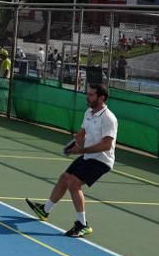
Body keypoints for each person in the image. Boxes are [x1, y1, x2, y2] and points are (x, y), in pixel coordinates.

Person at [26, 83, 116, 238]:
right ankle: (45, 210)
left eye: (91, 95)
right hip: (88, 156)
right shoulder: (89, 112)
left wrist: (81, 150)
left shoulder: (109, 118)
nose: (88, 97)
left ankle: (82, 224)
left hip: (102, 160)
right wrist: (76, 143)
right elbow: (82, 133)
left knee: (73, 183)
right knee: (64, 178)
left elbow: (107, 145)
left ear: (101, 98)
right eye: (88, 94)